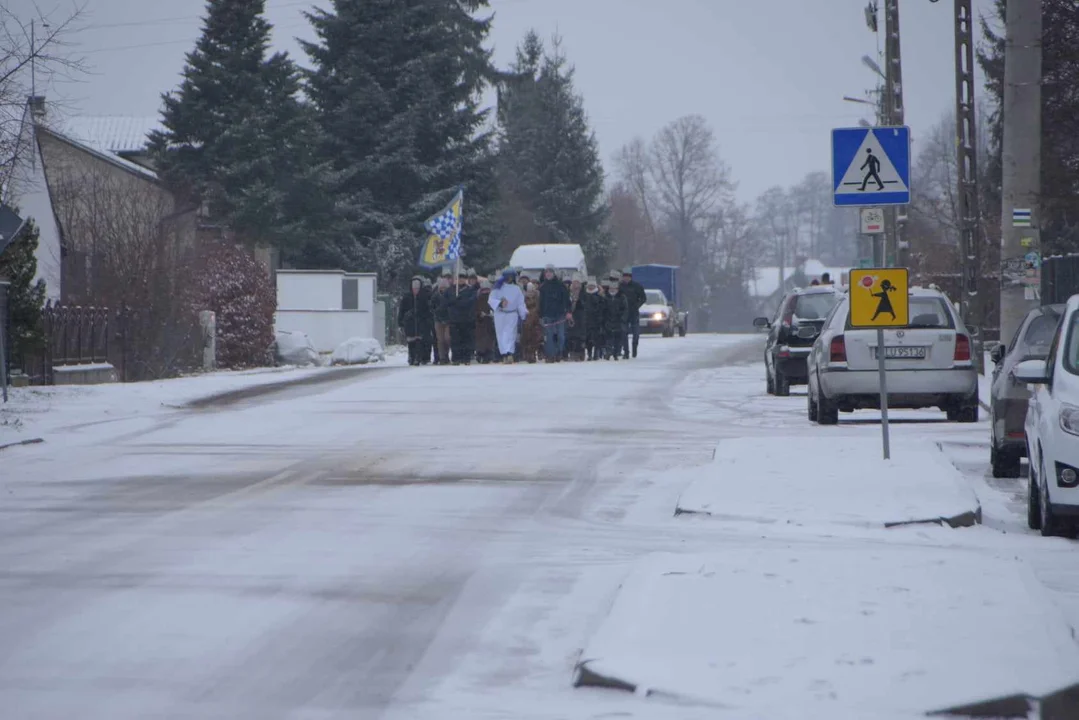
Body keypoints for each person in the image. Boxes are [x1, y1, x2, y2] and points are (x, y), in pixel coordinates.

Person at [489, 268, 528, 362]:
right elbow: (491, 300)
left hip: (512, 314)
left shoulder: (517, 289)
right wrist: (499, 303)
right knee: (501, 334)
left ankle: (510, 352)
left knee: (511, 333)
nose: (509, 279)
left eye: (511, 277)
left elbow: (520, 303)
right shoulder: (497, 288)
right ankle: (504, 354)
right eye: (508, 277)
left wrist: (523, 314)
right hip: (500, 314)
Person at [538, 264, 572, 363]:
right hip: (547, 315)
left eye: (550, 272)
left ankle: (558, 353)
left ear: (554, 273)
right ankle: (551, 355)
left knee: (561, 336)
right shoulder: (543, 287)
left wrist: (569, 312)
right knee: (549, 336)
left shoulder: (561, 285)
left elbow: (567, 300)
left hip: (560, 314)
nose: (548, 274)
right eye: (546, 272)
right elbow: (541, 302)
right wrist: (540, 315)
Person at [398, 275, 433, 366]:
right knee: (411, 342)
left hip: (421, 322)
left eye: (417, 288)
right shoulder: (406, 297)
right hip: (410, 323)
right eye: (414, 288)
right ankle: (411, 356)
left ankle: (418, 357)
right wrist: (401, 322)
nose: (415, 290)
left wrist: (426, 320)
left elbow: (427, 310)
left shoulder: (424, 297)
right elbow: (402, 310)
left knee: (420, 341)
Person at [447, 273, 478, 364]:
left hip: (466, 319)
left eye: (463, 278)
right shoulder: (451, 290)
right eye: (459, 278)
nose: (461, 280)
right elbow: (446, 302)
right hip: (454, 319)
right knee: (455, 340)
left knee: (466, 339)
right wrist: (454, 300)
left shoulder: (470, 290)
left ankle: (466, 358)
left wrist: (460, 301)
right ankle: (456, 358)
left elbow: (471, 301)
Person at [619, 267, 647, 359]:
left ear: (631, 277)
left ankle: (634, 347)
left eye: (628, 276)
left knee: (636, 333)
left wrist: (637, 305)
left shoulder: (637, 286)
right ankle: (626, 352)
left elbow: (643, 298)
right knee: (624, 332)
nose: (626, 278)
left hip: (634, 312)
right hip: (623, 313)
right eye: (625, 276)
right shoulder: (620, 287)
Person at [430, 272, 453, 364]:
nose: (443, 289)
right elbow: (431, 306)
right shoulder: (435, 296)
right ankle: (442, 357)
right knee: (440, 339)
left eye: (444, 287)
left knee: (447, 338)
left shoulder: (450, 295)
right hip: (438, 320)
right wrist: (436, 312)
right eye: (441, 287)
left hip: (448, 319)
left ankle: (446, 354)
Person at [605, 279, 628, 361]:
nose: (612, 290)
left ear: (617, 289)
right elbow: (603, 308)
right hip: (608, 319)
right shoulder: (606, 296)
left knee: (618, 338)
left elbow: (625, 309)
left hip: (618, 320)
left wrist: (622, 318)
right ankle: (608, 352)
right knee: (608, 337)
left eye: (614, 288)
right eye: (611, 288)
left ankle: (616, 353)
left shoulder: (622, 297)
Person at [520, 283, 544, 363]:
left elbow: (538, 307)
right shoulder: (523, 299)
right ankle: (527, 353)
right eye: (529, 291)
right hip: (526, 320)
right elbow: (522, 307)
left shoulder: (537, 298)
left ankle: (533, 353)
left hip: (535, 320)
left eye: (532, 291)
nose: (530, 293)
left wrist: (533, 312)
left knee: (535, 337)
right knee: (526, 337)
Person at [566, 274, 587, 361]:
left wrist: (579, 301)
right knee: (571, 335)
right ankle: (572, 352)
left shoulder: (583, 292)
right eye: (574, 283)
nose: (576, 285)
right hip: (571, 315)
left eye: (577, 283)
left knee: (580, 336)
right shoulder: (568, 292)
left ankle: (580, 353)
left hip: (581, 315)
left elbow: (585, 304)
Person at [474, 278, 496, 363]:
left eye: (487, 290)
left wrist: (492, 314)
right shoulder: (478, 299)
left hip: (490, 322)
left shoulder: (492, 299)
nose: (486, 292)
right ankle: (480, 354)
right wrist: (479, 314)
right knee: (481, 339)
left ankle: (488, 354)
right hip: (480, 322)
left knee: (490, 338)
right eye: (484, 290)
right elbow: (475, 309)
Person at [582, 276, 604, 360]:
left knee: (597, 338)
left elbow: (602, 308)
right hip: (586, 320)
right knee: (588, 339)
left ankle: (596, 353)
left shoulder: (599, 296)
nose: (591, 287)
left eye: (592, 286)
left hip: (597, 321)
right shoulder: (584, 295)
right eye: (589, 286)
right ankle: (589, 353)